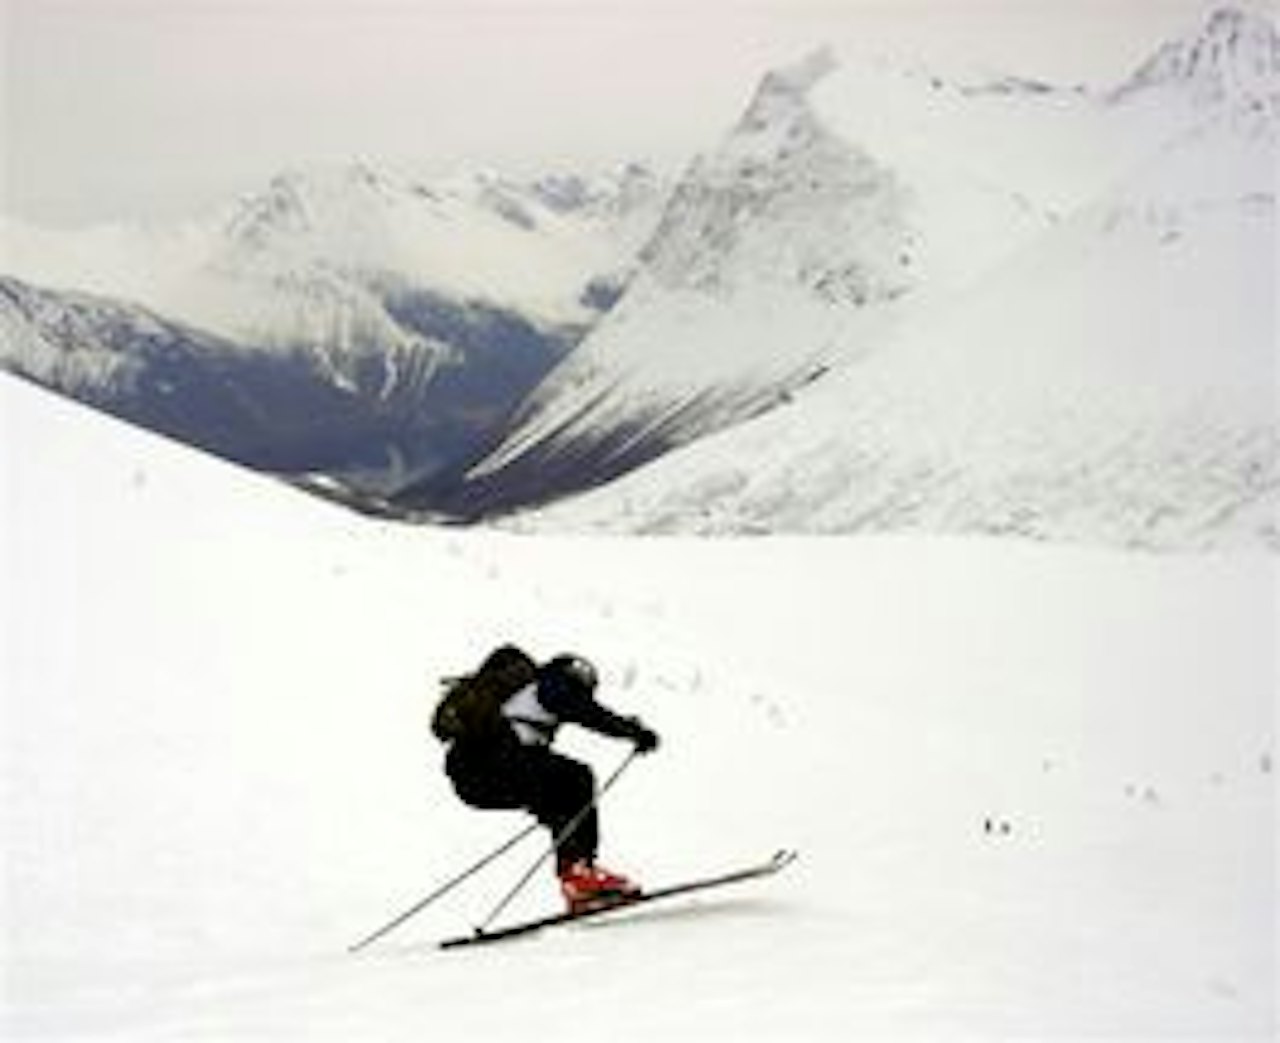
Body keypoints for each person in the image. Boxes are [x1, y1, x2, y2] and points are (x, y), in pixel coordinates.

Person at [439, 647, 660, 912]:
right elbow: (586, 712)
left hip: (471, 780)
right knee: (577, 778)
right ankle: (579, 875)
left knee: (562, 801)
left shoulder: (518, 696)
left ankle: (577, 878)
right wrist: (632, 731)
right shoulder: (550, 683)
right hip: (495, 762)